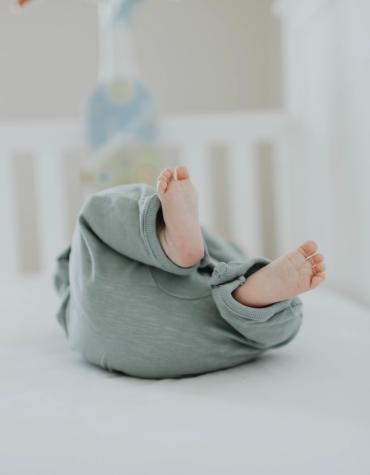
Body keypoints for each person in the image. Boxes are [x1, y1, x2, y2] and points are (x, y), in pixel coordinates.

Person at [54, 166, 326, 379]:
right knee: (287, 316)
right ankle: (248, 302)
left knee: (99, 211)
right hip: (198, 334)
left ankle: (161, 235)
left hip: (102, 335)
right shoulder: (232, 260)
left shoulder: (76, 285)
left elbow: (64, 273)